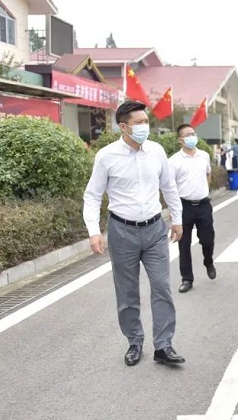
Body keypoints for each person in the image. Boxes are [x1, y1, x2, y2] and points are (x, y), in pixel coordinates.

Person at [83, 101, 185, 366]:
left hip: (155, 229)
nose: (144, 127)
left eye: (146, 121)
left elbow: (169, 186)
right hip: (122, 231)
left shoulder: (156, 151)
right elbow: (93, 195)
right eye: (139, 123)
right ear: (123, 126)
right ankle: (134, 341)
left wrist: (177, 219)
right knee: (127, 292)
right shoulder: (106, 156)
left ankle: (163, 345)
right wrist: (94, 231)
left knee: (162, 287)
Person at [168, 124, 217, 294]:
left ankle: (208, 261)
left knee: (208, 239)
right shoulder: (173, 161)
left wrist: (205, 190)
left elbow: (208, 173)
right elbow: (169, 187)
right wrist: (173, 210)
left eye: (193, 133)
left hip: (203, 205)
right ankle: (187, 278)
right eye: (187, 135)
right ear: (180, 140)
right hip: (184, 207)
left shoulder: (204, 155)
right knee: (184, 244)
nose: (192, 137)